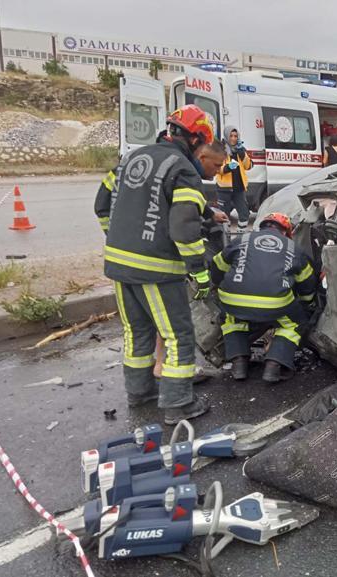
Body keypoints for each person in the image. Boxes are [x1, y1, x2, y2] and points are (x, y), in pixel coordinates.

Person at [95, 104, 227, 425]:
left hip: (118, 265)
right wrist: (198, 272)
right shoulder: (184, 169)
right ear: (197, 140)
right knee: (178, 335)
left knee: (137, 333)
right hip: (157, 269)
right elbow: (183, 228)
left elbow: (101, 204)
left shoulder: (131, 158)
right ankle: (179, 404)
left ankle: (140, 394)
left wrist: (118, 238)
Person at [209, 213, 317, 383]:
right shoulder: (293, 248)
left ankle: (239, 364)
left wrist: (217, 284)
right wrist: (306, 303)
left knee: (232, 320)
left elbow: (217, 265)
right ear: (286, 232)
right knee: (295, 323)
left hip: (233, 298)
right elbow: (307, 283)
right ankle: (274, 365)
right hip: (274, 303)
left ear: (262, 227)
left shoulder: (242, 239)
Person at [216, 126, 253, 229]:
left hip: (239, 188)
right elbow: (217, 169)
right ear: (227, 136)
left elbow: (248, 166)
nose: (233, 138)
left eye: (235, 136)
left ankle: (240, 239)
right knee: (224, 217)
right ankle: (225, 241)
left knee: (244, 215)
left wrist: (242, 154)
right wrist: (228, 167)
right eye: (231, 136)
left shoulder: (240, 149)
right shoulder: (220, 149)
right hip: (224, 189)